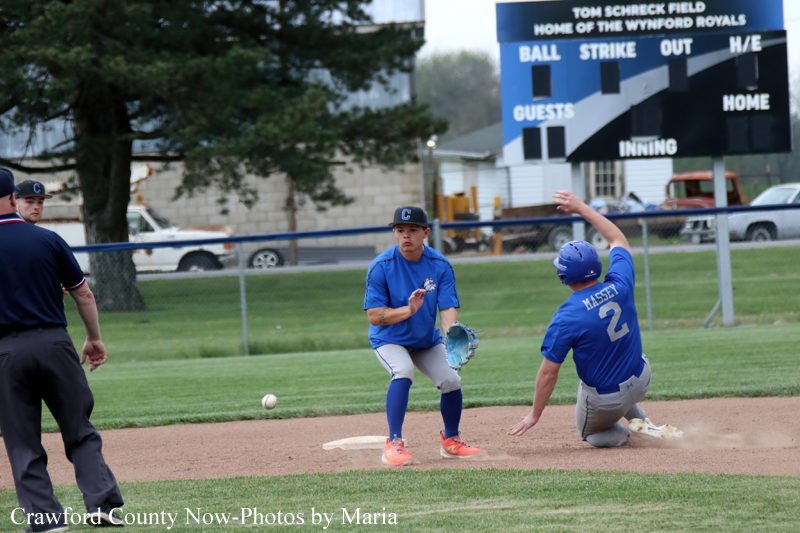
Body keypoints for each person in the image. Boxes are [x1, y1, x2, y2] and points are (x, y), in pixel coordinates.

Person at [0, 168, 124, 531]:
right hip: (55, 344)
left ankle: (45, 518)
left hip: (5, 352)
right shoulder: (47, 240)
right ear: (12, 198)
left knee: (22, 441)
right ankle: (101, 504)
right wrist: (94, 339)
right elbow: (82, 292)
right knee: (79, 429)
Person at [508, 190, 680, 447]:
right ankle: (647, 424)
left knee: (590, 434)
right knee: (614, 369)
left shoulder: (566, 316)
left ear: (563, 276)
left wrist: (535, 415)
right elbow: (617, 238)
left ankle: (635, 436)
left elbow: (548, 374)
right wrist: (581, 207)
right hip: (642, 377)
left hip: (607, 400)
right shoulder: (620, 283)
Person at [364, 206, 482, 466]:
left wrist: (451, 336)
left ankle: (451, 441)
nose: (406, 235)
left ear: (426, 233)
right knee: (403, 371)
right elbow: (374, 316)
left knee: (451, 379)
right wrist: (408, 310)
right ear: (394, 233)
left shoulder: (439, 265)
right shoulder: (381, 266)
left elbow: (448, 307)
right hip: (389, 339)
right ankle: (393, 443)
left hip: (425, 340)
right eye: (400, 230)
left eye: (413, 230)